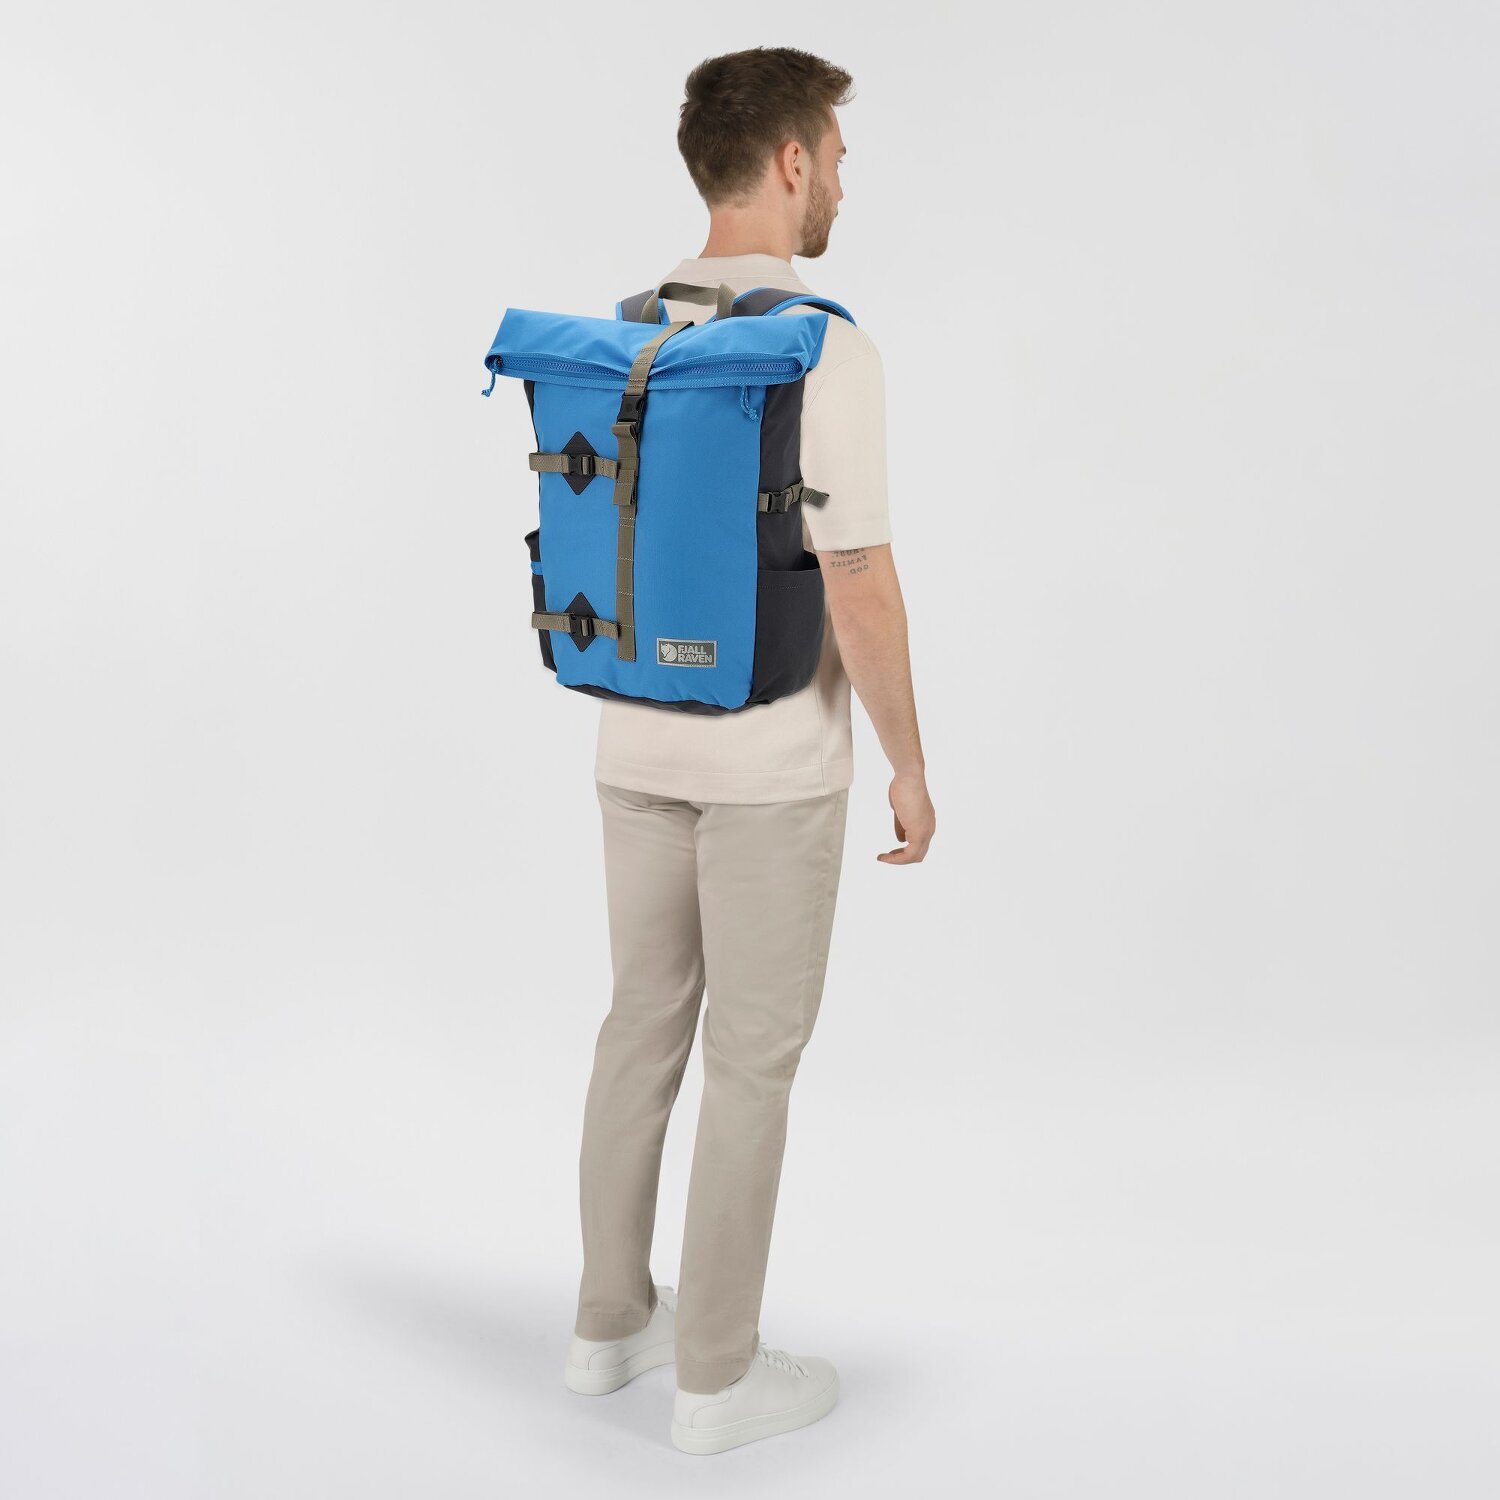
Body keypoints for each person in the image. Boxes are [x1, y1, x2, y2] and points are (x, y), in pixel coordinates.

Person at [561, 46, 935, 1455]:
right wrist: (908, 763)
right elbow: (860, 581)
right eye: (834, 155)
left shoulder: (628, 333)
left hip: (631, 747)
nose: (840, 180)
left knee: (637, 1028)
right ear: (788, 162)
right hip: (771, 767)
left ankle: (609, 1324)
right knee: (752, 1063)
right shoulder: (822, 347)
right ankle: (717, 1378)